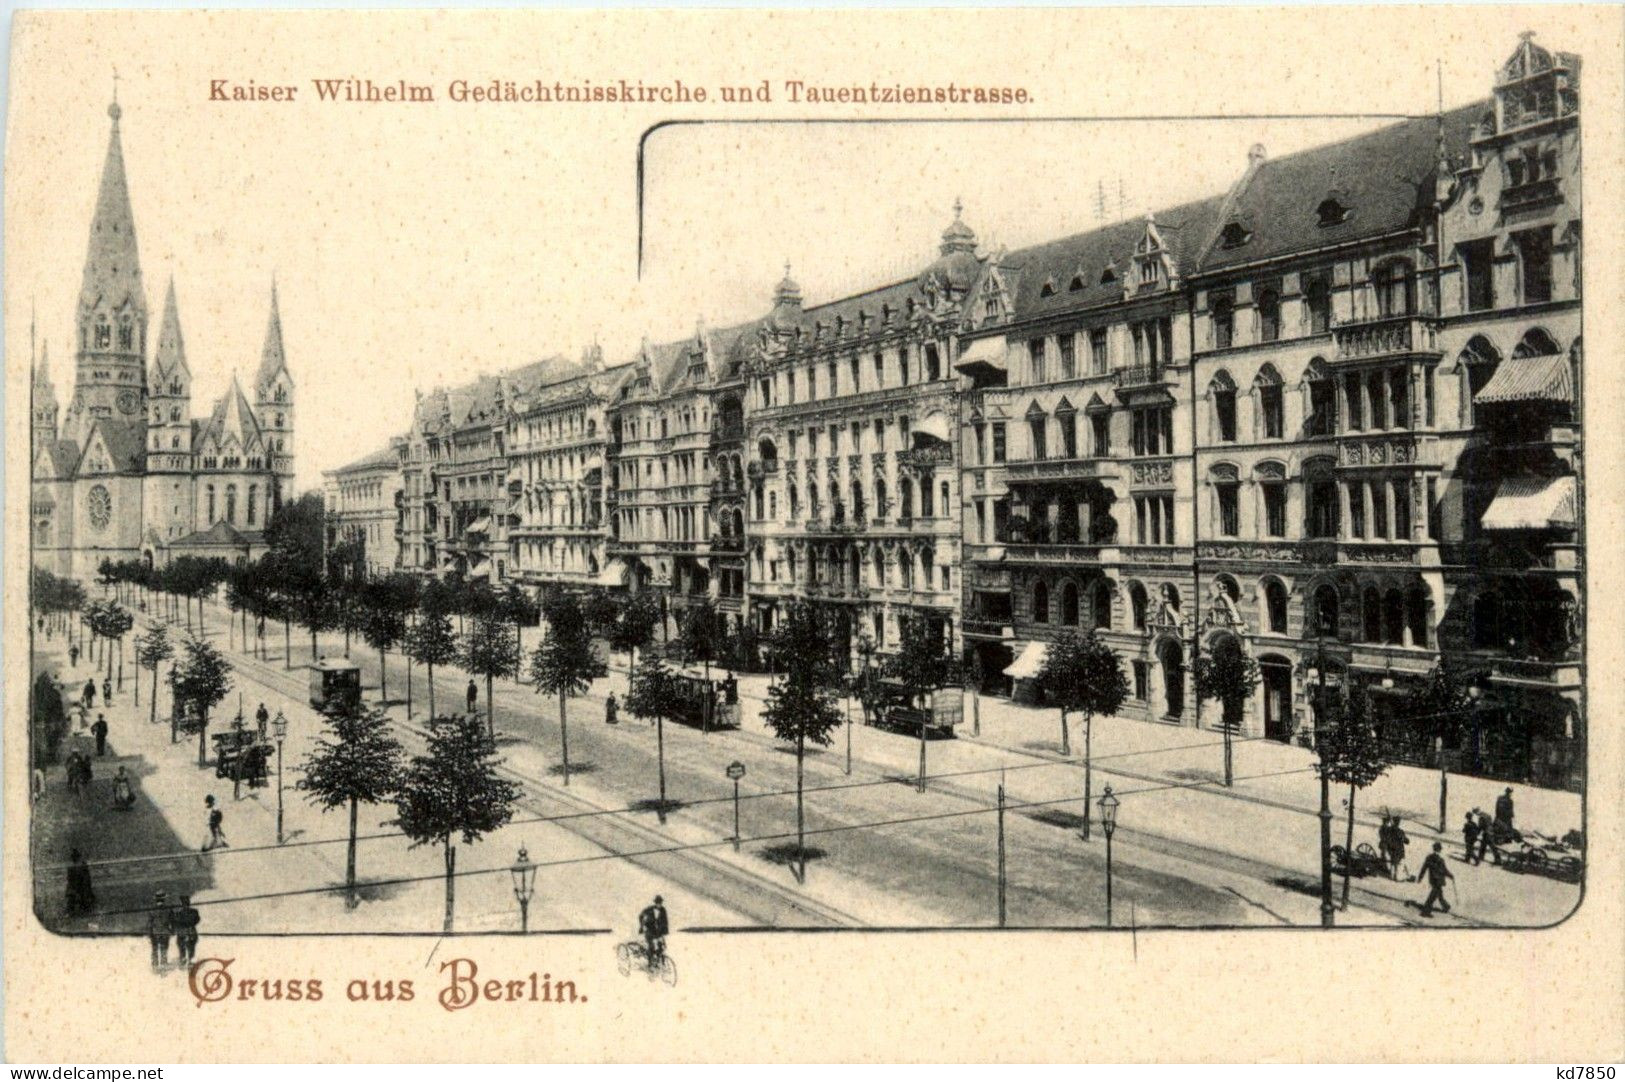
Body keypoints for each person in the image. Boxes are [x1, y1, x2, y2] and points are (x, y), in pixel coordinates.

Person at [1418, 841, 1454, 917]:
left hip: (1433, 880)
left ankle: (1445, 906)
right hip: (1438, 880)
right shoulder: (1440, 860)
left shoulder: (1429, 858)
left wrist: (1420, 877)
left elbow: (1424, 868)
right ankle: (1425, 912)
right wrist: (1450, 875)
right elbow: (1444, 870)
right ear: (1440, 850)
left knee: (1439, 894)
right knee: (1432, 896)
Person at [637, 895, 669, 967]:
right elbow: (641, 916)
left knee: (661, 946)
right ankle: (650, 963)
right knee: (651, 946)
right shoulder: (649, 909)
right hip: (649, 930)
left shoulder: (663, 910)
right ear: (655, 903)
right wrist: (642, 926)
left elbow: (665, 921)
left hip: (658, 931)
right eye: (658, 903)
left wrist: (665, 931)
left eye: (660, 903)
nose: (659, 904)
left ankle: (660, 962)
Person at [64, 849, 95, 917]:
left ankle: (76, 910)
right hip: (79, 885)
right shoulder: (78, 865)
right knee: (77, 897)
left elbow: (71, 878)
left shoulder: (75, 866)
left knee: (78, 897)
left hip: (79, 884)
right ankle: (78, 910)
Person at [172, 895, 201, 967]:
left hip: (182, 933)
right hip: (191, 932)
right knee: (191, 948)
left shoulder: (178, 913)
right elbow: (197, 920)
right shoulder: (194, 912)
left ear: (182, 904)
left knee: (182, 949)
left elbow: (176, 922)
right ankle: (190, 962)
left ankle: (183, 961)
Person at [147, 891, 172, 970]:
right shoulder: (168, 909)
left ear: (156, 900)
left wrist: (149, 933)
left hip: (155, 932)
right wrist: (172, 930)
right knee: (164, 948)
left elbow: (150, 923)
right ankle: (163, 964)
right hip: (165, 931)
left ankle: (155, 965)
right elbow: (172, 920)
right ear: (164, 900)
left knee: (154, 948)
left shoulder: (152, 910)